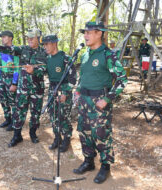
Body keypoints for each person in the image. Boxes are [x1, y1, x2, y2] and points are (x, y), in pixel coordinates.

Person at [72, 21, 128, 184]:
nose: (86, 35)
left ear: (100, 33)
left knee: (101, 134)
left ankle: (105, 166)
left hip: (99, 102)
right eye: (85, 32)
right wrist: (77, 91)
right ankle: (89, 161)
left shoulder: (108, 55)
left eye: (89, 32)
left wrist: (107, 99)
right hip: (84, 101)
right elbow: (82, 77)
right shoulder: (85, 54)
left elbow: (122, 79)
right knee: (84, 131)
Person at [0, 29, 47, 147]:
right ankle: (17, 136)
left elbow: (45, 69)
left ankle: (33, 133)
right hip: (23, 88)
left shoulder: (44, 52)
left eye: (32, 37)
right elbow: (9, 49)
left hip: (37, 89)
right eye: (28, 37)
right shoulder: (23, 49)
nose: (29, 40)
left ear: (39, 38)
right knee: (19, 112)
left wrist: (35, 70)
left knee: (35, 113)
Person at [42, 34, 76, 152]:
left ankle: (66, 138)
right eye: (44, 44)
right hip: (52, 90)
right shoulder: (47, 59)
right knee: (53, 114)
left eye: (47, 44)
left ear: (54, 43)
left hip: (64, 89)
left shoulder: (65, 58)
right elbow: (43, 72)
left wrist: (65, 93)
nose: (45, 47)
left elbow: (73, 79)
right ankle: (57, 138)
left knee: (63, 116)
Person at [0, 30, 19, 131]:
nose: (2, 39)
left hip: (11, 77)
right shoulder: (1, 51)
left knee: (12, 101)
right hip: (2, 78)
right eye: (2, 37)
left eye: (4, 37)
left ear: (10, 38)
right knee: (3, 100)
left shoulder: (16, 51)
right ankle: (7, 119)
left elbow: (17, 68)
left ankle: (14, 122)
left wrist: (14, 83)